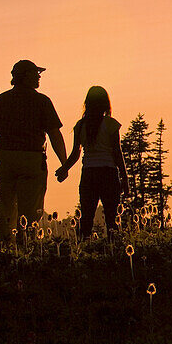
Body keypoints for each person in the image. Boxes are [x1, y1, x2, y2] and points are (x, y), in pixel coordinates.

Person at [0, 60, 67, 243]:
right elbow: (54, 134)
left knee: (6, 207)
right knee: (30, 209)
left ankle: (5, 248)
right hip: (32, 158)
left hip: (6, 158)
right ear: (26, 76)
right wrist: (64, 163)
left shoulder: (0, 101)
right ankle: (28, 246)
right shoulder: (41, 101)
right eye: (36, 73)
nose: (39, 77)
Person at [55, 85, 130, 238]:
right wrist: (124, 177)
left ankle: (84, 250)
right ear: (105, 103)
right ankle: (112, 250)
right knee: (111, 217)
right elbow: (117, 152)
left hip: (89, 174)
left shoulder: (81, 125)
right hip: (108, 173)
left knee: (86, 217)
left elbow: (76, 154)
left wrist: (64, 168)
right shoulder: (110, 124)